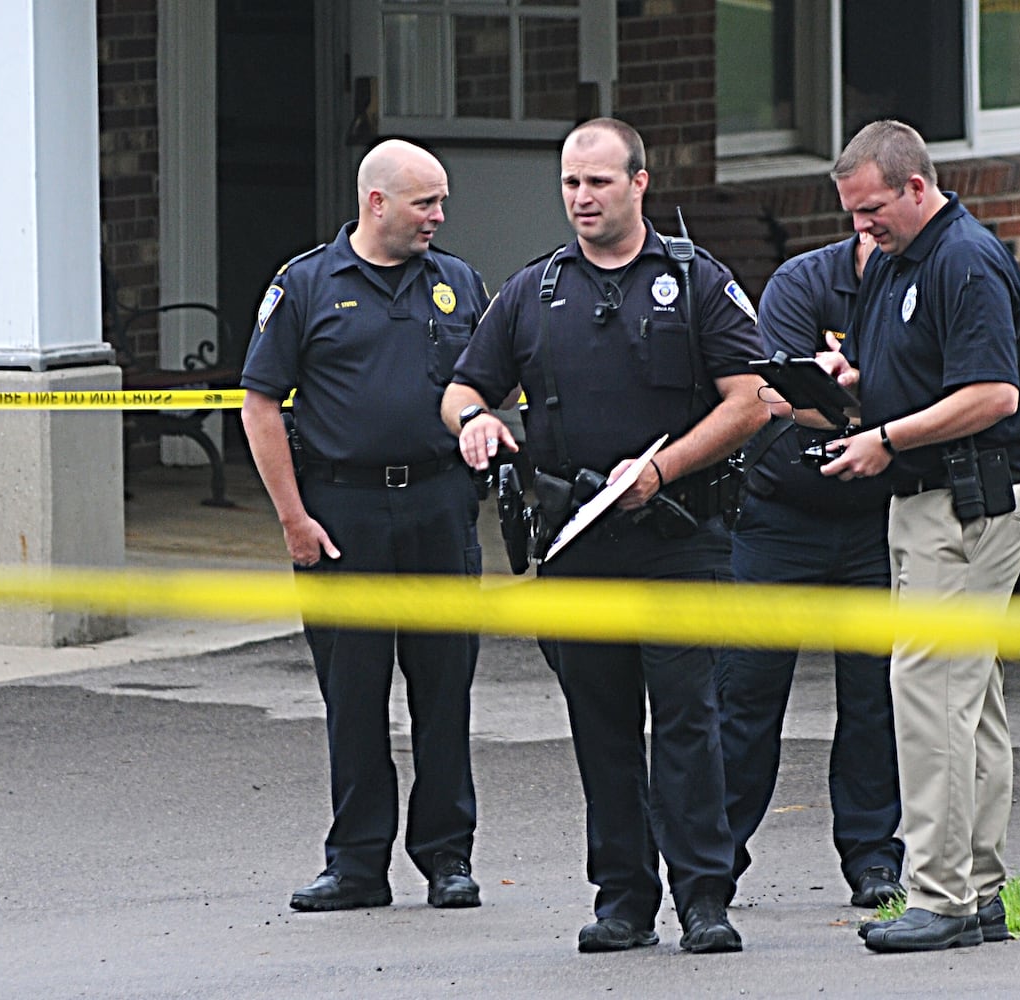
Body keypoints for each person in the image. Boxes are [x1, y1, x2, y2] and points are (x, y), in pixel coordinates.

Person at [441, 118, 766, 954]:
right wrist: (475, 422)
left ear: (639, 184)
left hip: (678, 534)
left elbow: (750, 399)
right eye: (570, 184)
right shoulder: (533, 292)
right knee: (602, 725)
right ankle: (624, 898)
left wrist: (661, 472)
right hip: (576, 545)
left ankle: (705, 897)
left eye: (598, 183)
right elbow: (464, 386)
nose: (582, 198)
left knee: (688, 722)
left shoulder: (694, 281)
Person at [793, 120, 1020, 952]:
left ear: (915, 187)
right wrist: (853, 385)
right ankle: (980, 888)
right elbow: (913, 375)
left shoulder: (961, 258)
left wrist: (888, 439)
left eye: (871, 211)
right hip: (930, 502)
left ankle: (942, 897)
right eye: (852, 216)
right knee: (971, 701)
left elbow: (992, 394)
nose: (862, 229)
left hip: (965, 501)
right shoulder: (903, 264)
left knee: (932, 695)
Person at [240, 138, 489, 913]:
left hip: (439, 507)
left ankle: (447, 857)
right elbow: (260, 405)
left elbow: (494, 381)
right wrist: (292, 519)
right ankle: (356, 864)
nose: (439, 217)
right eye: (426, 203)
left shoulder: (458, 282)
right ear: (376, 202)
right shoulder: (306, 285)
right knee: (354, 696)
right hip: (341, 514)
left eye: (442, 202)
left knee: (444, 691)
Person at [715, 233, 904, 910]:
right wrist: (873, 398)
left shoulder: (922, 281)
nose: (876, 231)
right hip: (781, 516)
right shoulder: (802, 283)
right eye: (865, 216)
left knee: (875, 699)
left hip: (879, 520)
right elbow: (785, 397)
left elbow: (936, 391)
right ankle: (714, 861)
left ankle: (874, 858)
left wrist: (863, 396)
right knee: (745, 695)